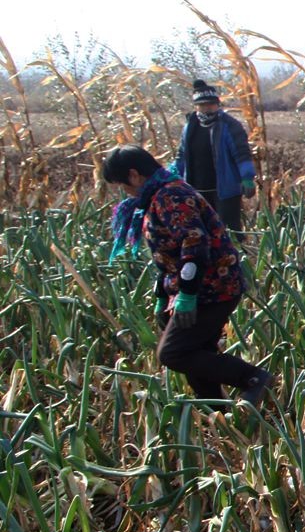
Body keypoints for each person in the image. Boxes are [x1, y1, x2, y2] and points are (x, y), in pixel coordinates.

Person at [100, 145, 272, 406]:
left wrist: (188, 294)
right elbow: (169, 252)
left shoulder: (171, 197)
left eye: (123, 186)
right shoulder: (160, 194)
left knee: (174, 353)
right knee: (198, 356)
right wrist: (164, 293)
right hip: (205, 287)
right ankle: (220, 414)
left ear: (134, 175)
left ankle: (253, 378)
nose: (126, 193)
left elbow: (194, 242)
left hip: (213, 288)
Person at [175, 80, 256, 232]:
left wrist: (247, 178)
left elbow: (242, 154)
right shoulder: (190, 126)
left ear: (217, 104)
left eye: (211, 104)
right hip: (196, 189)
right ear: (196, 106)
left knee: (230, 231)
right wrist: (173, 178)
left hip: (225, 190)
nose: (208, 108)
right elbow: (181, 156)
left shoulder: (229, 126)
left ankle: (239, 255)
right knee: (201, 231)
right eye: (203, 104)